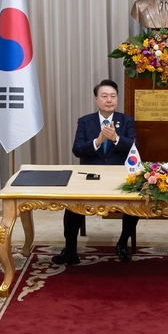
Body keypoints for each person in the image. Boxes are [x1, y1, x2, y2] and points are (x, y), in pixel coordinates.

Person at [53, 79, 139, 265]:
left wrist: (116, 138)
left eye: (113, 96)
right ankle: (70, 249)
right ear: (96, 99)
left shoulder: (126, 121)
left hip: (119, 176)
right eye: (104, 96)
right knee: (72, 205)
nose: (109, 100)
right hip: (90, 176)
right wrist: (97, 141)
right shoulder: (85, 121)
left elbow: (135, 148)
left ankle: (122, 243)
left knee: (135, 203)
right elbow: (77, 150)